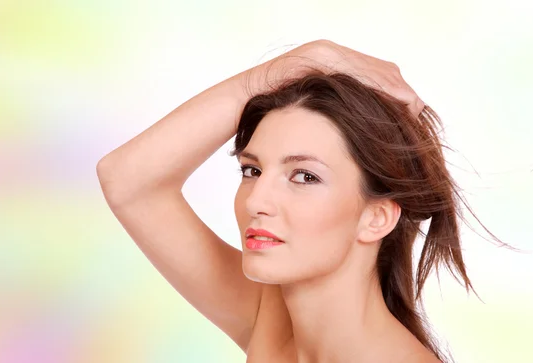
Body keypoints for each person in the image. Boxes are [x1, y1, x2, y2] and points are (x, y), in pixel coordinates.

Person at [97, 40, 485, 362]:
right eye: (253, 171)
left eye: (305, 176)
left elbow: (129, 183)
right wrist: (313, 59)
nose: (256, 201)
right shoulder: (273, 319)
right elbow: (128, 180)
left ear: (377, 217)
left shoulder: (266, 318)